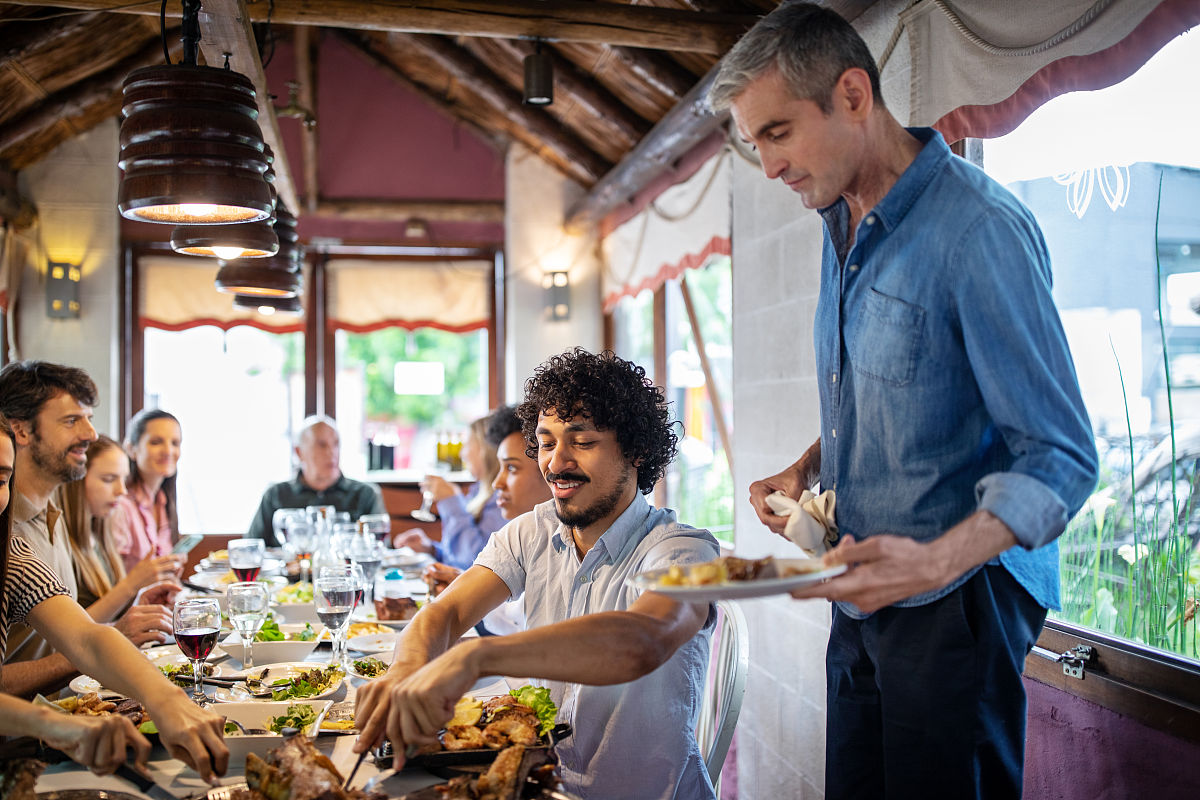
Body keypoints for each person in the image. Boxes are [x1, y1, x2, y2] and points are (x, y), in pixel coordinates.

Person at [708, 4, 1100, 798]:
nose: (769, 164)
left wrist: (930, 560)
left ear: (853, 94)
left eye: (778, 132)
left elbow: (1061, 457)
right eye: (756, 144)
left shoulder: (979, 230)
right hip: (863, 598)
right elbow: (895, 392)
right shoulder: (837, 220)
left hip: (960, 600)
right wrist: (805, 467)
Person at [355, 348, 721, 800]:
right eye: (546, 443)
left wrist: (475, 658)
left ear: (638, 451)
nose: (555, 462)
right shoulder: (534, 530)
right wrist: (404, 672)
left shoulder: (683, 550)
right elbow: (445, 613)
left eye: (582, 443)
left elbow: (643, 640)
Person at [0, 412, 228, 781]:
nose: (88, 432)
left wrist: (167, 700)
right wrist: (54, 725)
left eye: (1, 480)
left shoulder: (13, 552)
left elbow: (89, 637)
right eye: (71, 418)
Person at [0, 361, 182, 694]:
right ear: (22, 431)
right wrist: (113, 636)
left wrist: (132, 609)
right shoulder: (8, 531)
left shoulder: (52, 515)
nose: (90, 434)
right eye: (72, 421)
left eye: (89, 419)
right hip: (26, 737)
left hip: (70, 710)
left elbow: (73, 633)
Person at [421, 405, 551, 634]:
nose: (496, 483)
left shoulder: (518, 520)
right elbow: (512, 612)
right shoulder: (524, 530)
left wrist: (451, 503)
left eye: (511, 467)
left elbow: (473, 559)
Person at [61, 435, 183, 625]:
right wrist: (132, 584)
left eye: (123, 479)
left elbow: (112, 618)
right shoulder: (61, 545)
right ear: (77, 481)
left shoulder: (99, 535)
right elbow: (72, 632)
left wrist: (143, 602)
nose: (122, 491)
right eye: (109, 479)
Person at [247, 415, 386, 546]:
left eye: (336, 444)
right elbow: (251, 548)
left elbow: (380, 549)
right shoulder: (276, 495)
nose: (332, 452)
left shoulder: (365, 494)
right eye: (322, 445)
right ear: (299, 452)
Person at [394, 413, 505, 570]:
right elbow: (458, 560)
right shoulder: (478, 492)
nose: (462, 454)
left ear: (485, 450)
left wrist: (452, 501)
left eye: (467, 445)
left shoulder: (501, 499)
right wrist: (431, 549)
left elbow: (475, 561)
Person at [111, 408, 182, 571]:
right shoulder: (120, 506)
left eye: (175, 443)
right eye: (156, 442)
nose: (168, 451)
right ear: (131, 449)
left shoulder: (163, 501)